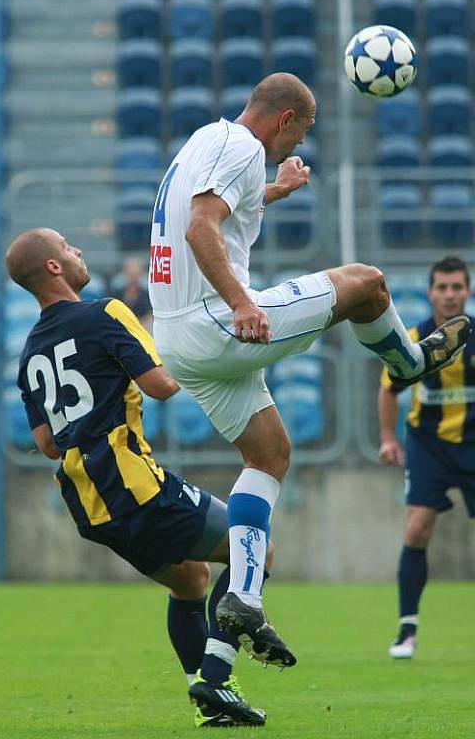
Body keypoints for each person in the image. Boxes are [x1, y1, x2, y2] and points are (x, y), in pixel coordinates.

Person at [147, 71, 471, 665]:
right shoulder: (244, 146)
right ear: (285, 121)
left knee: (269, 456)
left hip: (174, 334)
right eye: (303, 133)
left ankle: (231, 629)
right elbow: (200, 227)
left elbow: (212, 210)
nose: (299, 147)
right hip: (214, 320)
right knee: (368, 285)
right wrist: (243, 304)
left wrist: (276, 191)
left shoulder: (206, 140)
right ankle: (413, 360)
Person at [5, 227, 271, 728]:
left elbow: (46, 445)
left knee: (191, 581)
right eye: (67, 247)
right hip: (134, 484)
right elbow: (163, 385)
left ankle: (213, 708)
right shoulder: (104, 313)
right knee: (254, 548)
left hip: (90, 507)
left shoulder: (30, 354)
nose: (77, 250)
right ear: (55, 268)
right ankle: (214, 676)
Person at [378, 256, 475, 659]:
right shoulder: (413, 338)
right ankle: (407, 632)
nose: (450, 294)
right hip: (428, 445)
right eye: (443, 287)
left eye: (457, 287)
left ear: (467, 291)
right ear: (430, 292)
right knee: (417, 529)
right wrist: (387, 438)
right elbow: (388, 389)